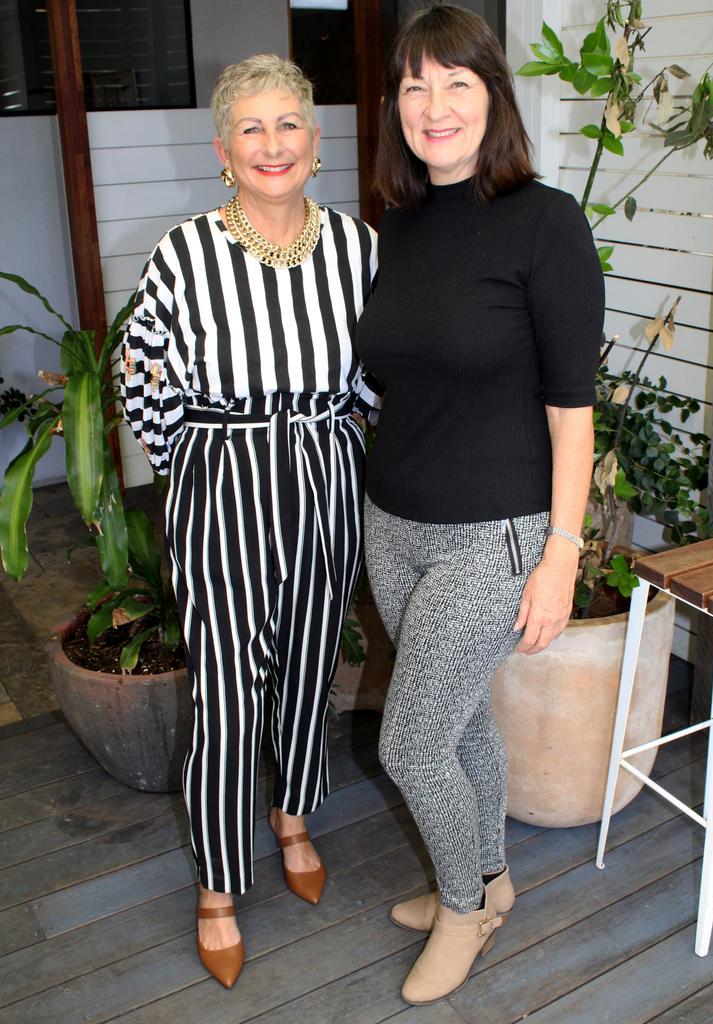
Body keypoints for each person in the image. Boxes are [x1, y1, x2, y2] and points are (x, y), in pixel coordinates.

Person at [355, 4, 605, 1006]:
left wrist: (561, 552)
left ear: (492, 95)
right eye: (413, 85)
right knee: (457, 729)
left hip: (495, 536)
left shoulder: (546, 223)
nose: (433, 104)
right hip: (393, 522)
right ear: (396, 108)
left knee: (407, 740)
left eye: (456, 81)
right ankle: (491, 872)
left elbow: (573, 416)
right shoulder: (399, 225)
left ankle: (468, 907)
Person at [121, 54, 379, 989]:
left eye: (290, 125)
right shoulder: (185, 253)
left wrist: (349, 437)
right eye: (252, 129)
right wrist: (192, 462)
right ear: (224, 150)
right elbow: (142, 376)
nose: (273, 145)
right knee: (228, 685)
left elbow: (377, 372)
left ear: (316, 141)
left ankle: (294, 815)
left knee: (313, 657)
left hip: (325, 475)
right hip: (224, 479)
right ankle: (219, 882)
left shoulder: (358, 248)